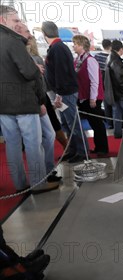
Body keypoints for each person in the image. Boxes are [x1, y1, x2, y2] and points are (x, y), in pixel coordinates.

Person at [0, 6, 58, 194]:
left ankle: (20, 184)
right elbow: (28, 72)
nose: (18, 24)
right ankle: (38, 183)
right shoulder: (13, 41)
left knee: (12, 144)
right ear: (3, 20)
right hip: (23, 101)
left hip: (3, 103)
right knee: (33, 143)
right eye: (15, 20)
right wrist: (35, 69)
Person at [16, 23, 61, 183]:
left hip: (38, 100)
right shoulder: (18, 51)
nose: (30, 34)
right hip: (30, 103)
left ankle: (47, 171)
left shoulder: (25, 52)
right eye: (27, 31)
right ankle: (40, 178)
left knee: (48, 135)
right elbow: (28, 79)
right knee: (35, 141)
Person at [42, 20, 87, 163]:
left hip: (65, 92)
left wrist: (59, 94)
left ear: (44, 34)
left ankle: (82, 151)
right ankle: (73, 149)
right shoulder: (57, 47)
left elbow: (61, 73)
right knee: (67, 124)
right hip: (63, 92)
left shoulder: (58, 48)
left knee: (73, 124)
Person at [72, 34, 108, 155]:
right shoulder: (78, 60)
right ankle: (99, 146)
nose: (74, 46)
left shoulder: (90, 60)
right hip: (83, 96)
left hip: (92, 97)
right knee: (93, 123)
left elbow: (95, 81)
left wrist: (93, 98)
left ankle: (103, 148)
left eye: (76, 44)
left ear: (82, 45)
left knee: (97, 123)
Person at [95, 39, 113, 129]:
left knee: (106, 103)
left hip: (102, 83)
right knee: (114, 103)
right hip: (112, 83)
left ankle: (109, 123)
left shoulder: (97, 56)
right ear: (111, 46)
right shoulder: (112, 56)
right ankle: (117, 121)